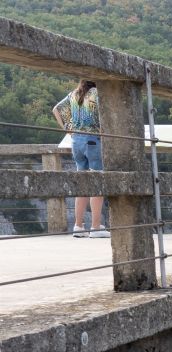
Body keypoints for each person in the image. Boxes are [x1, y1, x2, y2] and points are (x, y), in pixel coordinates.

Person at [53, 80, 108, 238]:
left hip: (76, 140)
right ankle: (96, 227)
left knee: (82, 181)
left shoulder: (74, 94)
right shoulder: (97, 94)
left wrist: (68, 129)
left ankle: (78, 226)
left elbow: (56, 109)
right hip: (93, 140)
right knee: (97, 181)